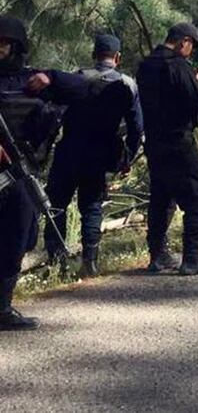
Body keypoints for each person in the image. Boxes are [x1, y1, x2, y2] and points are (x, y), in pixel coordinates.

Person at [0, 15, 89, 330]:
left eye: (4, 43)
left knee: (20, 240)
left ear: (16, 46)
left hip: (22, 174)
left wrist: (51, 78)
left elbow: (82, 88)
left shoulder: (32, 81)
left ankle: (3, 308)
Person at [43, 33, 143, 277]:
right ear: (117, 57)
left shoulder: (75, 79)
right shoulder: (128, 85)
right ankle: (90, 262)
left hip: (69, 150)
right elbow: (136, 127)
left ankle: (57, 263)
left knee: (56, 206)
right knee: (92, 206)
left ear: (93, 54)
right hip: (100, 153)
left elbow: (53, 114)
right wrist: (126, 157)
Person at [136, 22, 198, 276]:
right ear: (184, 41)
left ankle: (158, 255)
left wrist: (192, 81)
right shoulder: (178, 65)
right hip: (178, 141)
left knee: (161, 197)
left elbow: (170, 93)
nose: (191, 50)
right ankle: (192, 258)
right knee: (197, 197)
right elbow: (196, 107)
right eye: (192, 45)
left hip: (154, 141)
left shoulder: (147, 65)